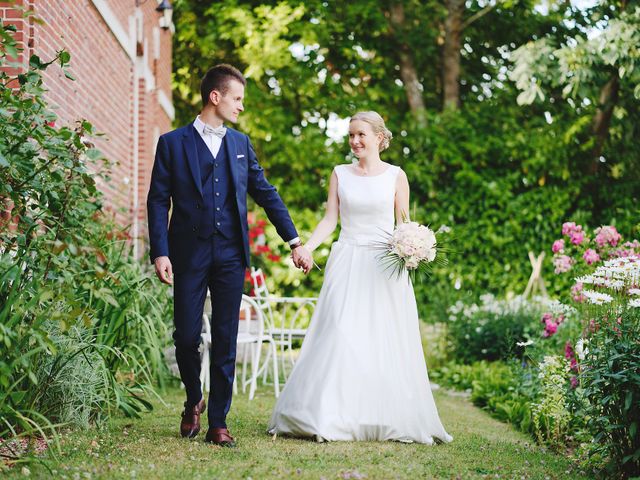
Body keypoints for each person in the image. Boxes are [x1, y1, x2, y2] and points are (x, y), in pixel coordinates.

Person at [147, 64, 312, 447]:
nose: (241, 106)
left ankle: (218, 422)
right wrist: (160, 252)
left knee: (226, 337)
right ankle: (193, 399)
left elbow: (265, 192)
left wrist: (294, 240)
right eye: (237, 99)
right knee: (186, 336)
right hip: (187, 253)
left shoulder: (240, 144)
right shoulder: (172, 143)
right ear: (215, 97)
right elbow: (158, 200)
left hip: (230, 255)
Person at [269, 111, 453, 444]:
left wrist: (414, 246)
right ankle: (329, 414)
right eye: (351, 135)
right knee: (339, 331)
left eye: (361, 135)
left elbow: (405, 223)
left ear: (379, 138)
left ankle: (382, 416)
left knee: (383, 337)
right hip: (348, 259)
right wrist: (307, 247)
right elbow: (330, 220)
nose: (355, 141)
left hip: (385, 267)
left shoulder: (397, 176)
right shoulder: (340, 174)